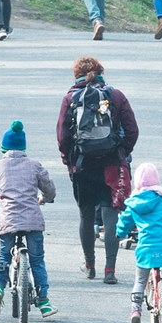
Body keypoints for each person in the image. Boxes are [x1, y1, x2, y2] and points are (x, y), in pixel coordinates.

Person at [56, 56, 139, 284]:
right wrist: (122, 152)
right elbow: (132, 130)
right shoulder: (116, 96)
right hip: (112, 164)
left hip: (82, 166)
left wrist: (69, 160)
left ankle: (90, 265)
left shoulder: (70, 98)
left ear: (77, 75)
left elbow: (63, 136)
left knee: (85, 215)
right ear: (101, 72)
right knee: (110, 215)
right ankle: (109, 270)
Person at [0, 120, 58, 319]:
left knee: (4, 257)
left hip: (8, 221)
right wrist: (45, 198)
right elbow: (49, 188)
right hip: (32, 221)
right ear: (24, 147)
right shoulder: (34, 165)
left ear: (3, 148)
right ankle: (44, 300)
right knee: (37, 260)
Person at [116, 162, 162, 323]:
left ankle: (135, 312)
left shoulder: (133, 204)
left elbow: (123, 222)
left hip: (145, 249)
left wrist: (120, 233)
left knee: (140, 281)